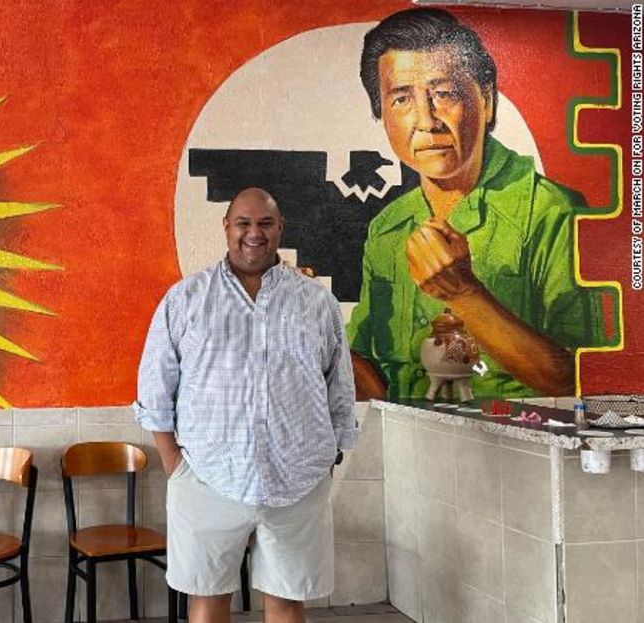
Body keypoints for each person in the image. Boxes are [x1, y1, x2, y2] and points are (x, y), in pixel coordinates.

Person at [347, 7, 606, 401]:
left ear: (485, 99)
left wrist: (464, 293)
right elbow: (372, 383)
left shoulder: (554, 212)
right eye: (401, 99)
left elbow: (586, 381)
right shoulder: (386, 229)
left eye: (444, 93)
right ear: (381, 114)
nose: (427, 120)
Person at [134, 187, 358, 623]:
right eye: (244, 223)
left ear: (280, 230)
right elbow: (154, 389)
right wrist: (175, 464)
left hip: (299, 480)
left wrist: (327, 460)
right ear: (226, 228)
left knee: (288, 599)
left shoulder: (317, 302)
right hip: (206, 476)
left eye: (265, 224)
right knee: (207, 598)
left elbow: (340, 389)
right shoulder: (185, 300)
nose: (254, 234)